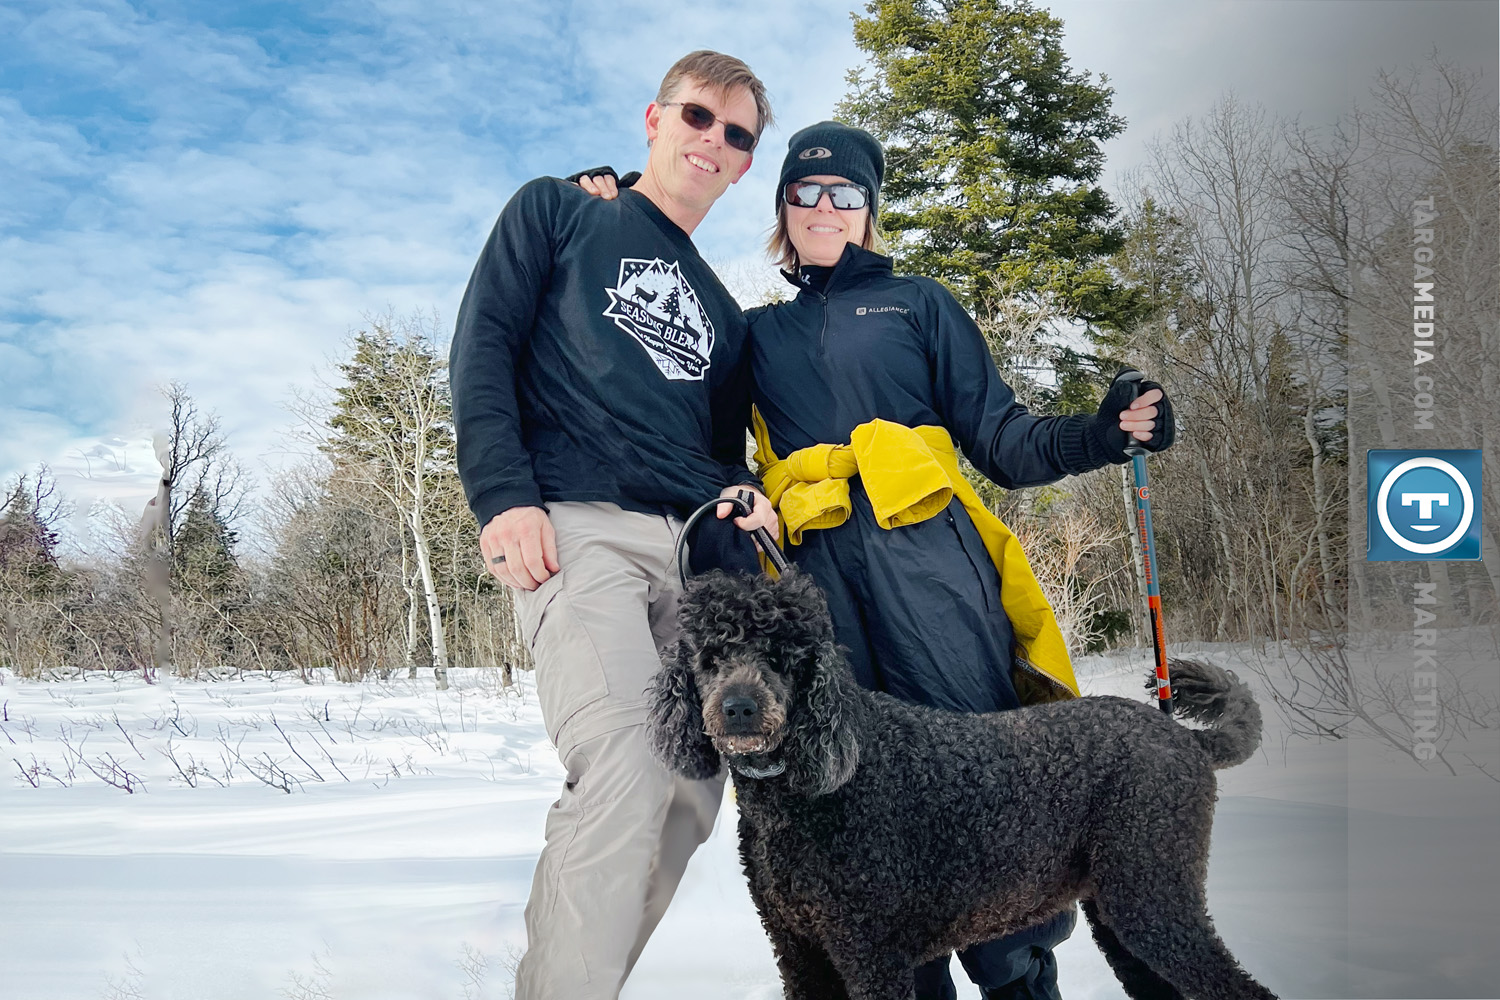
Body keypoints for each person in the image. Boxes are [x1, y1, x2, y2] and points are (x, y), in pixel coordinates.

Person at [577, 120, 1175, 1000]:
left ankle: (1018, 973)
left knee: (984, 780)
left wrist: (1103, 430)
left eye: (845, 193)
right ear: (783, 206)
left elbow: (1006, 440)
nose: (825, 206)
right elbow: (677, 412)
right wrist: (612, 217)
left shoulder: (919, 304)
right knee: (856, 805)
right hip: (819, 588)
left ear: (868, 210)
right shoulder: (752, 334)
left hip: (932, 565)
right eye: (806, 190)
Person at [449, 51, 780, 1000]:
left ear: (747, 162)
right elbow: (485, 345)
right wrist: (502, 495)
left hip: (686, 557)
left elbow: (717, 455)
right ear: (653, 118)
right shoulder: (562, 210)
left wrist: (744, 498)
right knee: (630, 755)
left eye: (736, 134)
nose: (712, 141)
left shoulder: (721, 312)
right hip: (575, 526)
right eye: (697, 117)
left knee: (689, 779)